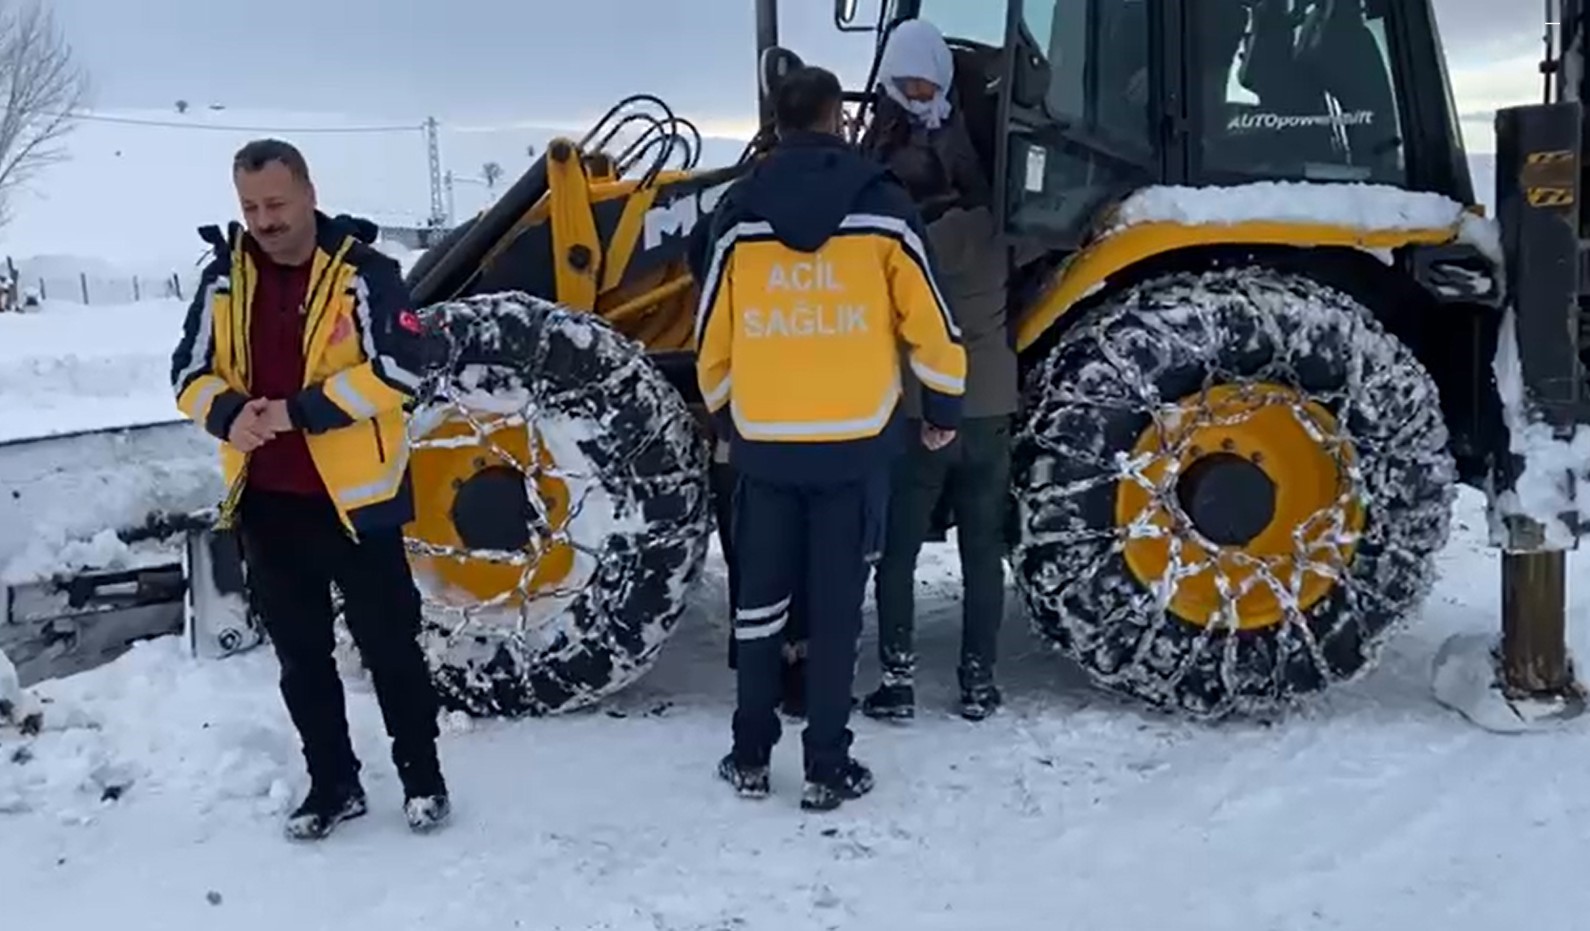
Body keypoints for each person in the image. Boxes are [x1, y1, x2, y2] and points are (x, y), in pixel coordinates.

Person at [695, 64, 966, 811]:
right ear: (837, 122)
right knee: (838, 607)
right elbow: (932, 326)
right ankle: (825, 765)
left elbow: (712, 337)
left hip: (767, 448)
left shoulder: (739, 214)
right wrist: (943, 406)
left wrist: (728, 415)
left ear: (777, 124)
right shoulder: (883, 211)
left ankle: (750, 755)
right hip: (854, 446)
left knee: (760, 606)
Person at [169, 138, 449, 840]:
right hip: (267, 501)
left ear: (308, 193)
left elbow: (403, 370)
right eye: (250, 206)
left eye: (276, 203)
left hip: (358, 506)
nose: (264, 220)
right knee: (302, 659)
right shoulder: (223, 281)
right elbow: (186, 374)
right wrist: (231, 415)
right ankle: (333, 783)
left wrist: (296, 411)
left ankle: (423, 778)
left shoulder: (365, 273)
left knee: (392, 650)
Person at [857, 19, 1019, 722]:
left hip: (925, 409)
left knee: (897, 552)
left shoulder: (903, 254)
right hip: (990, 409)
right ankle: (978, 680)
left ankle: (898, 679)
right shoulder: (996, 235)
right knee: (983, 551)